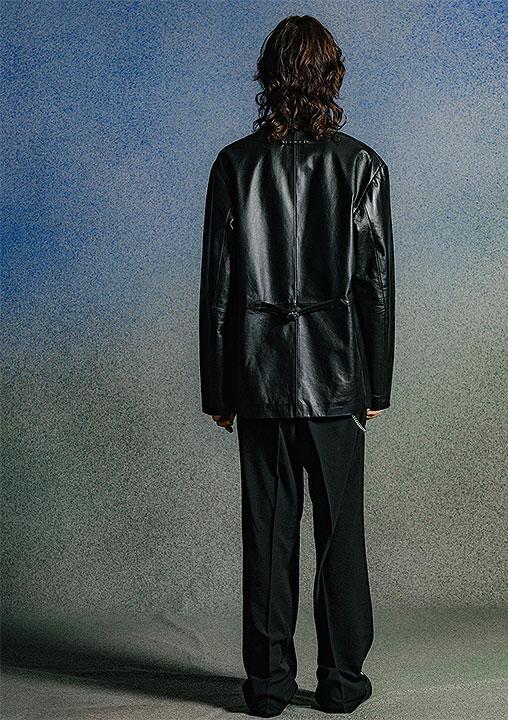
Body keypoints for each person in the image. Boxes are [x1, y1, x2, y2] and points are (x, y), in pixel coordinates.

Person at [199, 14, 395, 717]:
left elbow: (219, 287)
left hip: (258, 379)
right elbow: (375, 283)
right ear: (331, 77)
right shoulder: (362, 165)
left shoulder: (234, 166)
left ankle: (268, 687)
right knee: (340, 538)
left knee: (267, 536)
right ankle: (341, 684)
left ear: (268, 77)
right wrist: (377, 384)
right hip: (338, 379)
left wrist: (219, 390)